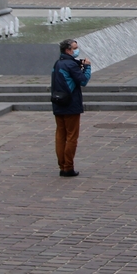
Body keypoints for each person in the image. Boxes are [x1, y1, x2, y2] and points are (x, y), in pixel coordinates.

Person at [51, 39, 91, 177]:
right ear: (68, 50)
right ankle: (68, 166)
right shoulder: (71, 64)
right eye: (75, 48)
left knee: (60, 136)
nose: (77, 50)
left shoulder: (58, 63)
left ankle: (62, 165)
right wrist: (87, 67)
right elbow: (83, 80)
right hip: (71, 104)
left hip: (58, 102)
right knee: (72, 136)